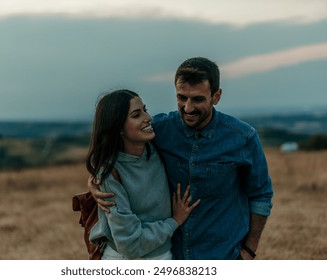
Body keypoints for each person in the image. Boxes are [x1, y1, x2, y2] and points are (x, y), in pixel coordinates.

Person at [90, 57, 274, 260]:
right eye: (181, 97)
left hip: (223, 255)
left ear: (216, 96)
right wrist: (96, 181)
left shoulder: (243, 138)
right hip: (171, 254)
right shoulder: (158, 130)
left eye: (197, 99)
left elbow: (261, 196)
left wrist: (248, 250)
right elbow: (116, 149)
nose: (187, 107)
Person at [86, 89, 200, 260]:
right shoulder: (110, 172)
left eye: (145, 110)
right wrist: (174, 221)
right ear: (118, 128)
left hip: (164, 255)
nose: (148, 117)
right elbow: (130, 246)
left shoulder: (156, 147)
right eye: (136, 115)